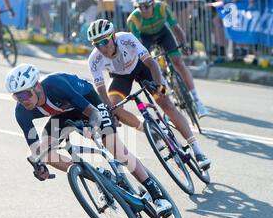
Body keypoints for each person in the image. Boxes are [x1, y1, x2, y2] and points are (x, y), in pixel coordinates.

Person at [5, 63, 174, 217]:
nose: (23, 100)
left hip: (90, 104)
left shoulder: (56, 85)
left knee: (115, 148)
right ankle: (98, 176)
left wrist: (91, 128)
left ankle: (156, 195)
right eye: (18, 97)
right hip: (63, 115)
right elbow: (36, 150)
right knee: (46, 155)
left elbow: (93, 113)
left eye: (26, 94)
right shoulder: (21, 112)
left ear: (38, 86)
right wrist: (39, 166)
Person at [87, 19, 211, 170]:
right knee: (114, 108)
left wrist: (159, 86)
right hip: (120, 78)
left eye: (104, 42)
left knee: (166, 103)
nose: (102, 47)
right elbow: (100, 89)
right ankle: (149, 130)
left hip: (142, 67)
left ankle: (197, 151)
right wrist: (109, 110)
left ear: (113, 36)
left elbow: (151, 63)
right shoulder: (94, 59)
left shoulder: (126, 39)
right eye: (96, 44)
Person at [127, 0, 209, 117]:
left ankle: (197, 100)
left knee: (178, 63)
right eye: (140, 7)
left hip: (163, 34)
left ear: (153, 4)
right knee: (150, 66)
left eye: (146, 6)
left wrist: (183, 44)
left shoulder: (162, 8)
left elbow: (176, 28)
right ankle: (167, 94)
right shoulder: (133, 19)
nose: (143, 10)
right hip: (146, 38)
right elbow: (137, 43)